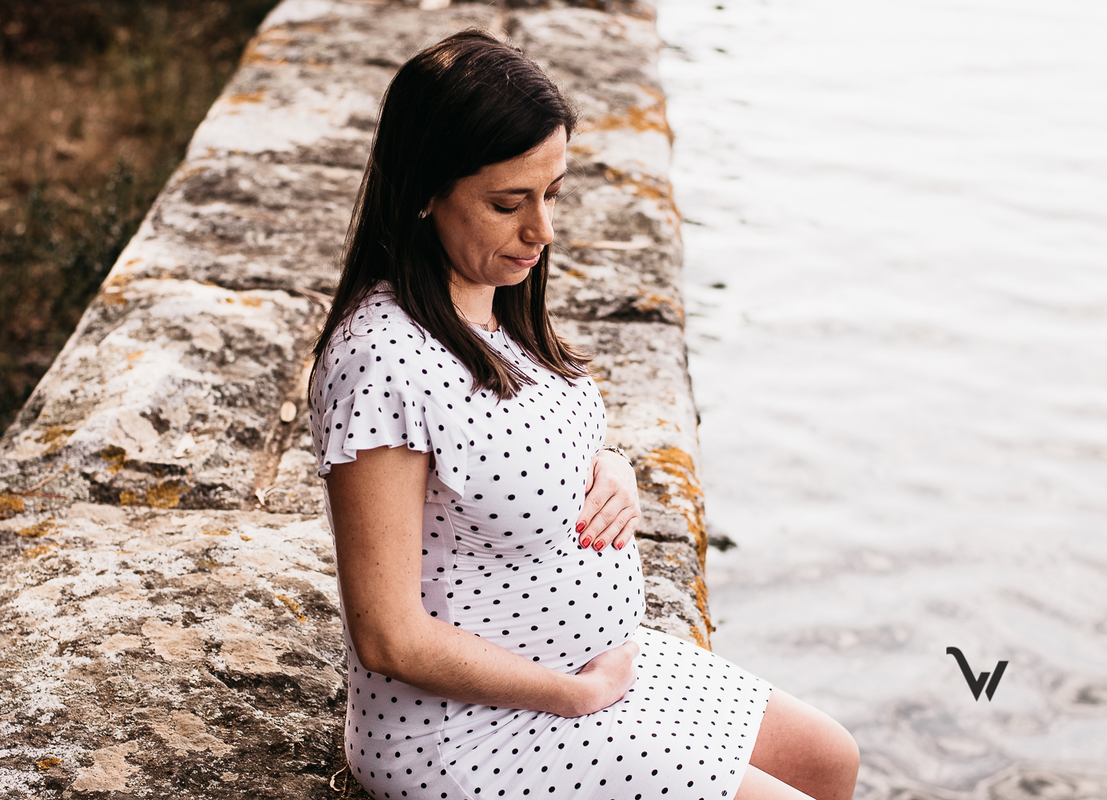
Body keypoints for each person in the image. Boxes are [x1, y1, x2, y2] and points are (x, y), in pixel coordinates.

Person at [308, 29, 859, 800]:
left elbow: (510, 445)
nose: (543, 230)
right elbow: (388, 636)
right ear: (424, 193)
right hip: (473, 728)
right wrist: (575, 695)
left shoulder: (495, 303)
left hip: (593, 667)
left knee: (830, 758)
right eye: (509, 203)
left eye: (553, 193)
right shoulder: (382, 364)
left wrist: (607, 469)